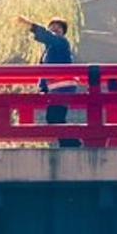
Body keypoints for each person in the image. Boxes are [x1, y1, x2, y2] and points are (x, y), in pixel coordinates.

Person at [17, 15, 79, 147]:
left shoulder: (61, 42)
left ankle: (72, 143)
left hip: (63, 86)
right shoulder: (49, 50)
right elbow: (45, 72)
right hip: (56, 87)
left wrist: (31, 26)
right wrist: (43, 88)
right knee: (55, 118)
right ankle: (70, 143)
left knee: (54, 117)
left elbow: (48, 36)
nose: (55, 28)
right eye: (53, 26)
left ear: (63, 32)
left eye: (59, 27)